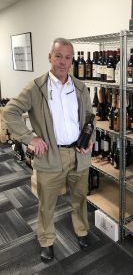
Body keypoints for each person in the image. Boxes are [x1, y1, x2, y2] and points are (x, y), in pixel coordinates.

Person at [3, 37, 95, 263]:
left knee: (80, 198)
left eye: (67, 57)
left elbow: (89, 118)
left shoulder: (80, 87)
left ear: (72, 59)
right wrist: (29, 138)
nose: (63, 62)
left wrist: (89, 139)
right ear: (50, 57)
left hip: (79, 154)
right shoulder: (36, 87)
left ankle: (81, 232)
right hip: (51, 157)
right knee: (47, 203)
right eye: (58, 56)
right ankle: (46, 240)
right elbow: (10, 112)